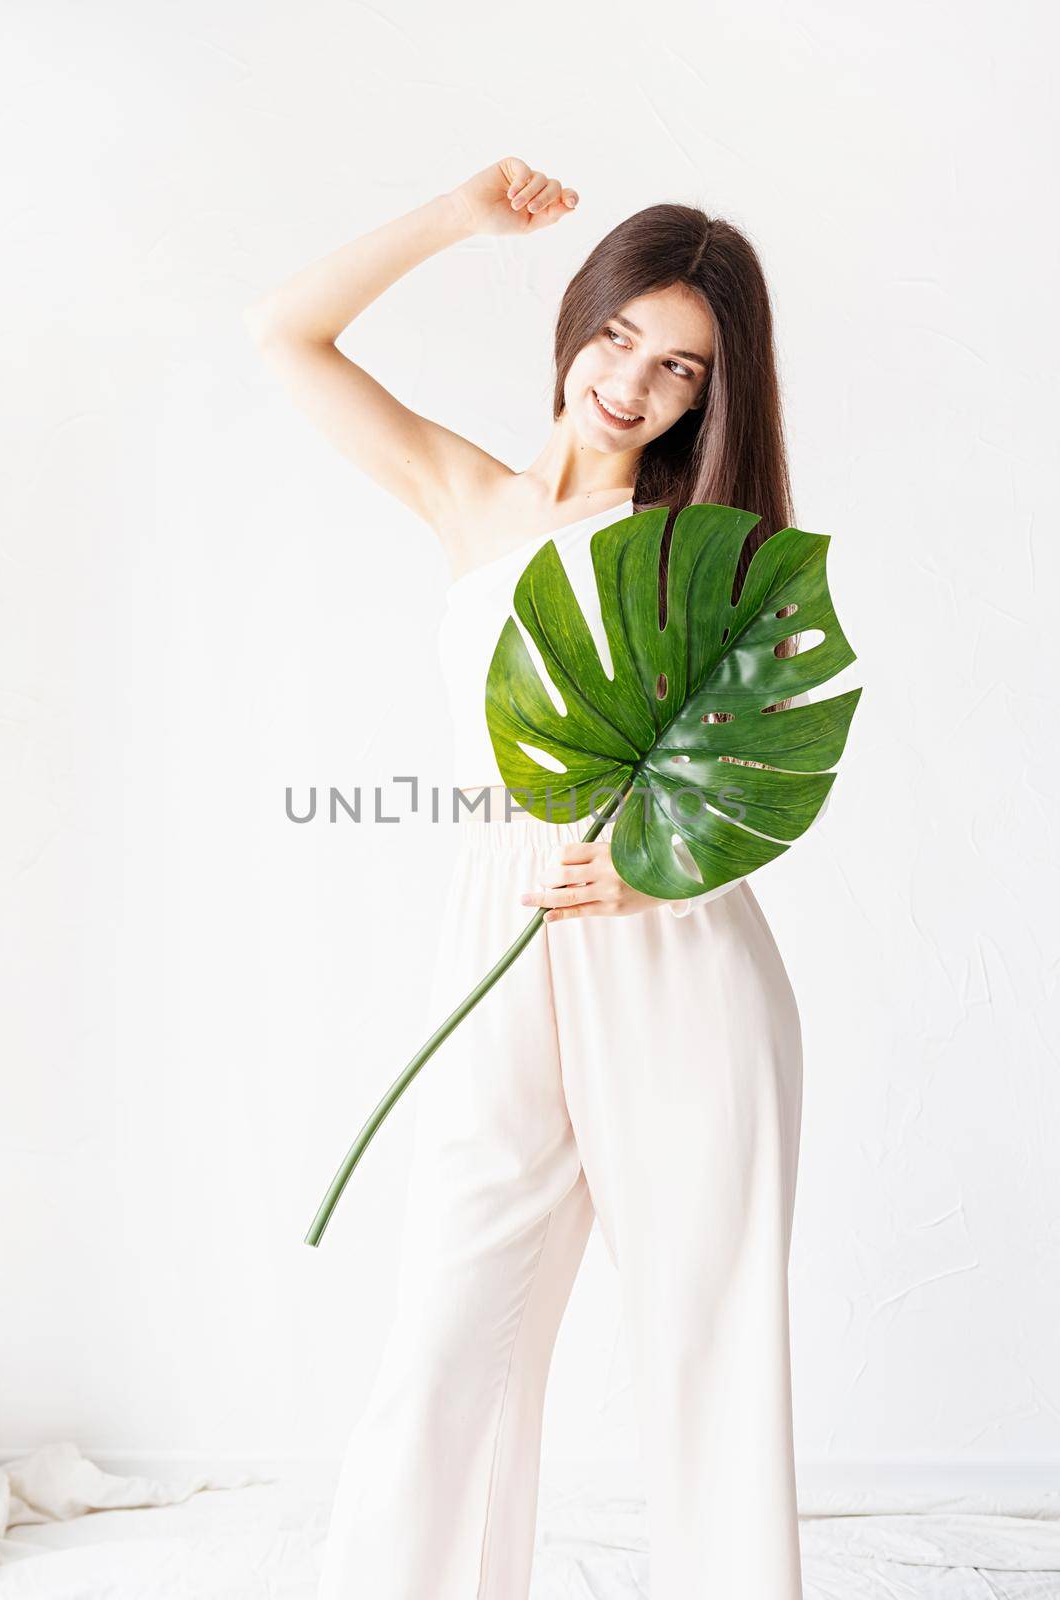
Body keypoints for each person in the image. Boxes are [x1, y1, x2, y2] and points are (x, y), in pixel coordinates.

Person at [246, 157, 826, 1600]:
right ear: (580, 319)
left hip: (675, 956)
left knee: (706, 1342)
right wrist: (456, 217)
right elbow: (283, 337)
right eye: (621, 334)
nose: (632, 382)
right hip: (497, 928)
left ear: (709, 400)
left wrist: (645, 871)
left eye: (679, 369)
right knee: (453, 1329)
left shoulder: (704, 556)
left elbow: (756, 775)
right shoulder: (471, 500)